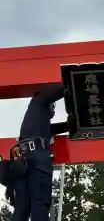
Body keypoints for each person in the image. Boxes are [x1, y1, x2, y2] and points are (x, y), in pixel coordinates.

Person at [5, 83, 68, 221]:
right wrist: (73, 82)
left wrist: (72, 124)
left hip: (20, 162)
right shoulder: (40, 100)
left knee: (22, 207)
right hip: (37, 158)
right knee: (40, 202)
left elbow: (54, 129)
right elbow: (56, 92)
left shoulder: (36, 121)